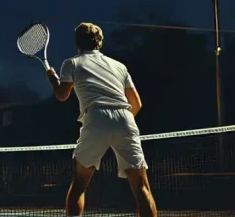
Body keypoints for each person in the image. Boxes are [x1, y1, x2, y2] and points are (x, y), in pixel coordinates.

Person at [45, 22, 157, 217]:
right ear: (100, 43)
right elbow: (136, 104)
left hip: (95, 118)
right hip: (125, 119)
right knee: (141, 187)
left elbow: (62, 95)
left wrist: (52, 78)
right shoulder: (119, 66)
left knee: (79, 185)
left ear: (77, 43)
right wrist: (121, 123)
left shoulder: (71, 63)